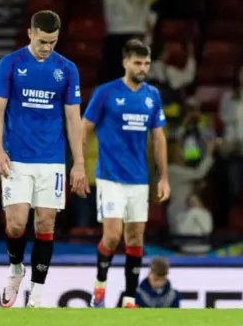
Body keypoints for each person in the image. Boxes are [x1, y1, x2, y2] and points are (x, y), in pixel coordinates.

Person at [0, 10, 88, 308]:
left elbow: (73, 117)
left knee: (45, 224)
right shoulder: (10, 64)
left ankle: (37, 293)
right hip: (17, 156)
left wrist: (79, 162)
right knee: (17, 223)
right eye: (43, 41)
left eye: (53, 42)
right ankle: (16, 269)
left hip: (52, 159)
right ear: (30, 33)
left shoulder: (67, 69)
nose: (47, 47)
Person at [83, 39, 170, 308]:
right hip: (109, 177)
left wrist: (164, 177)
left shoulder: (152, 96)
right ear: (125, 63)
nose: (142, 68)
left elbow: (158, 138)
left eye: (146, 63)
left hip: (139, 180)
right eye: (137, 63)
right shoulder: (106, 93)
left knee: (135, 238)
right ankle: (100, 286)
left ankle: (130, 298)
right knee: (112, 236)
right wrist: (77, 165)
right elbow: (84, 128)